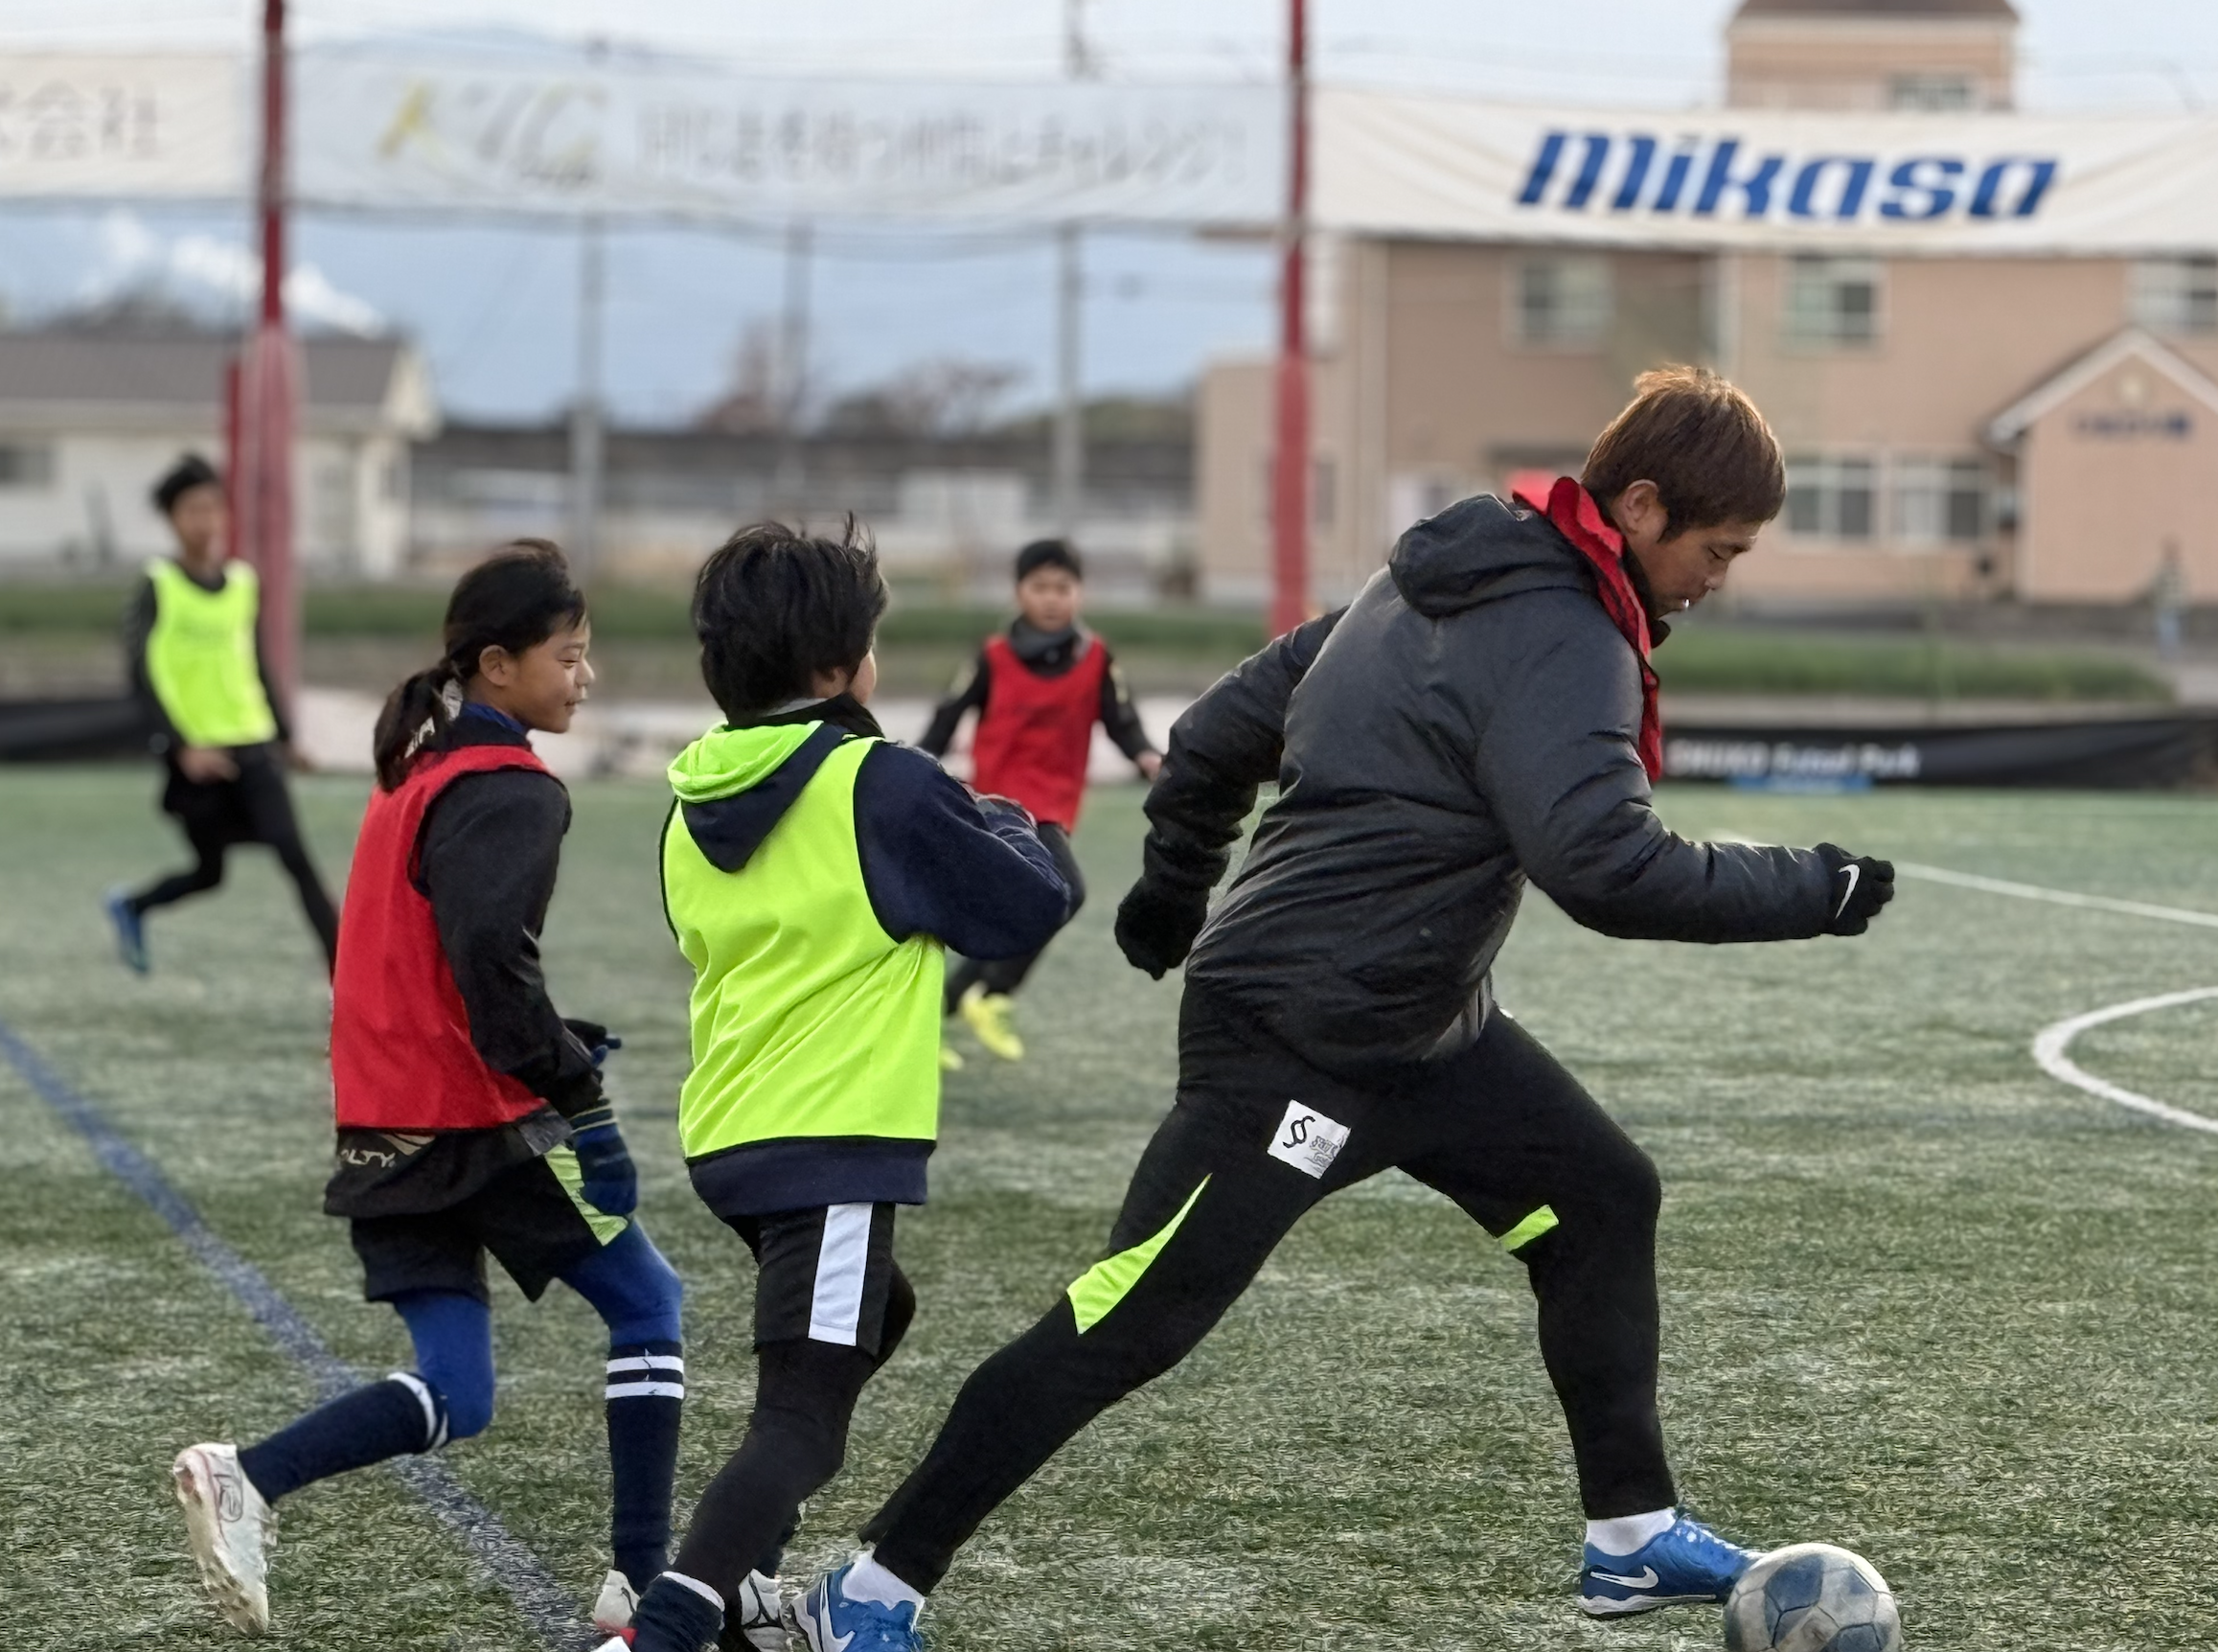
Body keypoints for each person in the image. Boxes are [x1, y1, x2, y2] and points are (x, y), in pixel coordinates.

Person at [789, 366, 1900, 1651]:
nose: (1719, 577)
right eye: (1718, 549)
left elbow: (1211, 736)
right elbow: (1599, 863)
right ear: (1640, 507)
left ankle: (1629, 1535)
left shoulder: (1417, 586)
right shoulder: (1562, 631)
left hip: (1422, 1030)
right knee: (1128, 1319)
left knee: (1599, 1194)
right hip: (1294, 1039)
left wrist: (1167, 898)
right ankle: (867, 1587)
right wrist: (1808, 889)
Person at [171, 542, 686, 1642]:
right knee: (648, 1305)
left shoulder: (413, 780)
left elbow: (443, 962)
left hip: (382, 1123)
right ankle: (642, 1586)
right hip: (469, 1122)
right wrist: (581, 1096)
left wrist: (546, 1040)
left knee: (460, 1389)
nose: (583, 677)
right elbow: (493, 971)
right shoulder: (508, 789)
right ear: (497, 665)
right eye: (570, 654)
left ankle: (246, 1474)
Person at [609, 521, 1069, 1652]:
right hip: (834, 1136)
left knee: (877, 1315)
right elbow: (1025, 904)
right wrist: (1024, 824)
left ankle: (735, 1583)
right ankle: (664, 1626)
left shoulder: (685, 808)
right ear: (838, 668)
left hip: (730, 1136)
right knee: (803, 1421)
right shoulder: (882, 782)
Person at [918, 538, 1160, 1063]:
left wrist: (1146, 756)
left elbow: (1124, 722)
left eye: (1063, 588)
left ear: (1080, 593)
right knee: (1063, 893)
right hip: (998, 804)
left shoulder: (1097, 659)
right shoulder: (992, 656)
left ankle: (944, 1009)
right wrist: (918, 764)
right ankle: (996, 994)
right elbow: (947, 713)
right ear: (1019, 592)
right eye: (1040, 587)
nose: (1052, 598)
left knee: (1033, 902)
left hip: (1056, 804)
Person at [105, 453, 340, 975]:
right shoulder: (156, 584)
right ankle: (132, 907)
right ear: (172, 519)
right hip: (195, 756)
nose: (206, 520)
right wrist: (179, 745)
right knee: (210, 873)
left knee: (295, 857)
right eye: (193, 509)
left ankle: (345, 993)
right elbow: (140, 674)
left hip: (252, 744)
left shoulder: (242, 583)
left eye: (214, 508)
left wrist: (285, 736)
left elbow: (257, 663)